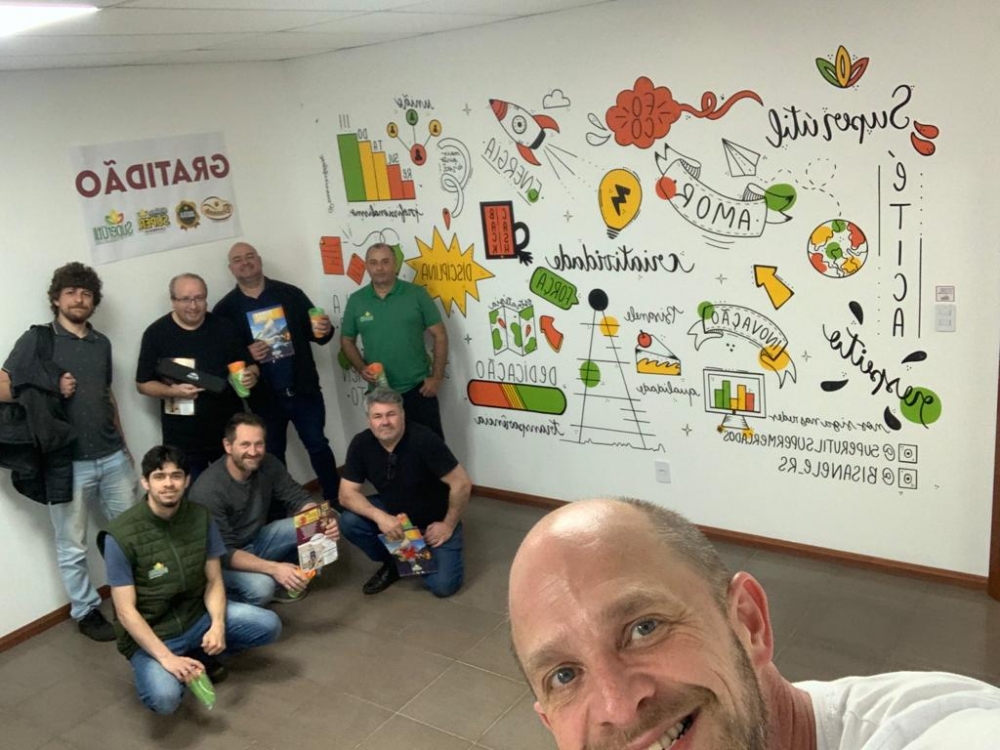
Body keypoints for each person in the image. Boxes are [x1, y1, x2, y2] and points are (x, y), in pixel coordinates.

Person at [507, 497, 1000, 750]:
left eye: (644, 628)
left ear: (749, 622)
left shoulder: (939, 732)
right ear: (549, 723)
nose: (617, 705)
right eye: (564, 676)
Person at [0, 262, 136, 642]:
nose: (79, 299)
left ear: (94, 301)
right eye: (71, 292)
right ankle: (86, 610)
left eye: (86, 293)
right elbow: (2, 386)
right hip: (66, 462)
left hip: (112, 458)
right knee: (72, 544)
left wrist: (125, 446)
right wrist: (51, 384)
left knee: (132, 534)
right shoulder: (38, 340)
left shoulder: (101, 343)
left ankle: (134, 600)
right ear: (56, 299)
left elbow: (107, 395)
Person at [104, 445, 282, 715]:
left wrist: (218, 625)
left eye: (176, 476)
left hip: (197, 617)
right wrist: (166, 658)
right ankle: (175, 664)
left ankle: (200, 654)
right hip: (156, 633)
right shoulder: (120, 536)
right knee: (165, 699)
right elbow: (125, 612)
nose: (168, 484)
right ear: (145, 482)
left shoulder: (200, 517)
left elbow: (214, 580)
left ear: (187, 481)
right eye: (159, 476)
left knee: (269, 625)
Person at [213, 242, 340, 510]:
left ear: (259, 260)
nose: (245, 262)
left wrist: (326, 328)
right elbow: (222, 358)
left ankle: (338, 500)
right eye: (238, 259)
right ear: (231, 268)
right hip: (263, 399)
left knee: (318, 445)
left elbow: (319, 335)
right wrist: (247, 354)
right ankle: (283, 511)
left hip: (303, 389)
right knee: (271, 456)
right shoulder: (224, 310)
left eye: (250, 256)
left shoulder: (290, 294)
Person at [188, 412, 339, 606]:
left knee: (319, 521)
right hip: (219, 561)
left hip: (255, 540)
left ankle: (288, 577)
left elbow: (298, 497)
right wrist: (274, 569)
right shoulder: (208, 490)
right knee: (262, 588)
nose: (253, 451)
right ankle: (217, 599)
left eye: (258, 444)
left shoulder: (268, 463)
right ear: (228, 445)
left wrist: (322, 521)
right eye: (245, 444)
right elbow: (224, 553)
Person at [338, 387, 471, 597]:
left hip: (434, 520)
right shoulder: (361, 443)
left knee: (443, 586)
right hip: (394, 515)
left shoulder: (424, 439)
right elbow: (346, 494)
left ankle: (410, 553)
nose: (385, 422)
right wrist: (380, 517)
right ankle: (395, 560)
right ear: (369, 420)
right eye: (377, 416)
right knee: (349, 521)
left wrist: (448, 524)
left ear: (402, 415)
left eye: (391, 414)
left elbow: (461, 483)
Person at [136, 273, 258, 480]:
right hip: (183, 439)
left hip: (229, 431)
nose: (193, 306)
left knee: (239, 488)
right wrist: (172, 392)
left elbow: (251, 366)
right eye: (185, 299)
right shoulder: (156, 333)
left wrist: (251, 376)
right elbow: (142, 384)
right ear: (173, 301)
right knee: (194, 494)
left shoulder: (225, 327)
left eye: (199, 298)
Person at [341, 242, 448, 438]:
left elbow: (440, 334)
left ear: (395, 264)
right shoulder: (357, 300)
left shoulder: (416, 294)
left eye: (385, 261)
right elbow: (347, 340)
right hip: (380, 394)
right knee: (390, 450)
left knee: (432, 449)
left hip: (419, 389)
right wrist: (361, 367)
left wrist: (437, 377)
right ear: (366, 266)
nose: (379, 268)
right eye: (373, 262)